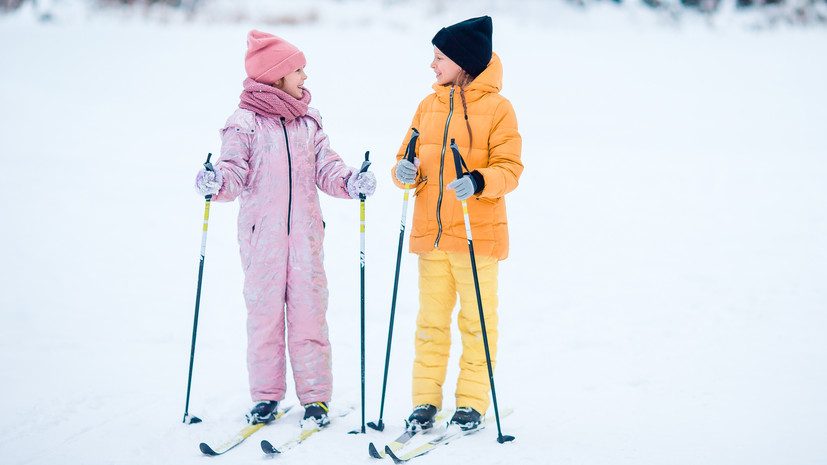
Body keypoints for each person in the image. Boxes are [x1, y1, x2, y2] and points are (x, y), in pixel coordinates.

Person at [194, 29, 376, 427]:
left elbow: (326, 167)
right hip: (263, 243)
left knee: (310, 317)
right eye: (298, 70)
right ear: (276, 76)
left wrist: (349, 181)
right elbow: (233, 173)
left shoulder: (309, 121)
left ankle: (315, 398)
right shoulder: (243, 124)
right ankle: (265, 397)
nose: (305, 77)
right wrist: (216, 182)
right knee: (264, 321)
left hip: (306, 242)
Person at [391, 16, 523, 431]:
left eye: (440, 57)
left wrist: (480, 180)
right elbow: (403, 158)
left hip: (476, 238)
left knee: (477, 323)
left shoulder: (498, 109)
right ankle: (425, 400)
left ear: (463, 62)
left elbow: (511, 169)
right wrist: (404, 171)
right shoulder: (428, 105)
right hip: (431, 238)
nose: (432, 65)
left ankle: (471, 402)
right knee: (430, 323)